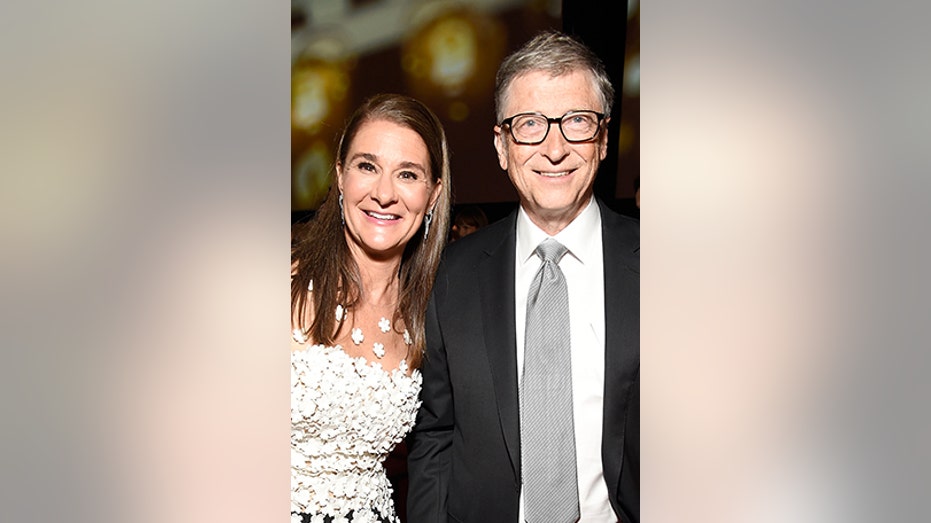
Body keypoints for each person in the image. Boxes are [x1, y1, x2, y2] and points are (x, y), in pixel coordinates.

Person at [407, 30, 639, 522]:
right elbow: (435, 435)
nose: (554, 148)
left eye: (577, 121)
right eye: (530, 124)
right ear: (501, 145)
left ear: (601, 140)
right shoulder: (451, 275)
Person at [290, 93, 452, 523]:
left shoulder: (430, 314)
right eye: (367, 166)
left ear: (433, 193)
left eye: (408, 174)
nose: (384, 193)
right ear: (341, 176)